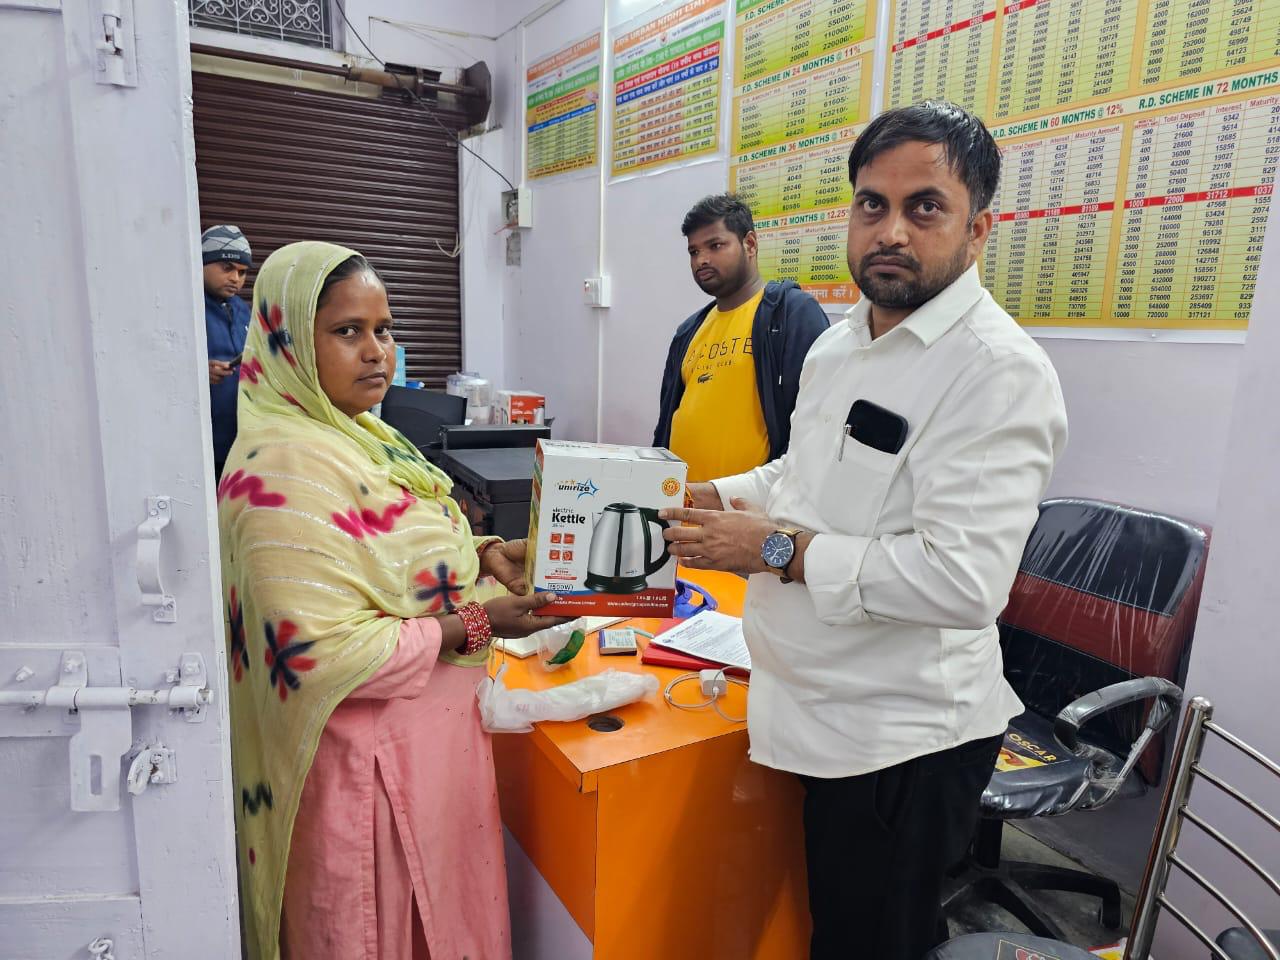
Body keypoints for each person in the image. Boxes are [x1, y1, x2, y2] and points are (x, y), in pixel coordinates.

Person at [659, 102, 1069, 960]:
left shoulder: (997, 372)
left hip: (901, 741)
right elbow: (799, 475)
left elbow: (961, 583)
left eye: (926, 207)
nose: (891, 230)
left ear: (977, 229)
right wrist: (714, 495)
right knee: (830, 926)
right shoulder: (839, 345)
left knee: (870, 942)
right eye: (872, 204)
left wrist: (775, 550)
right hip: (813, 705)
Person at [218, 241, 569, 960]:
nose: (377, 351)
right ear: (288, 343)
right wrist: (477, 621)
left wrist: (483, 553)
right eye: (348, 331)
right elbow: (323, 652)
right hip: (365, 776)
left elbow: (391, 554)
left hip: (430, 755)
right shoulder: (281, 470)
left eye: (384, 329)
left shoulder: (364, 438)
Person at [654, 194, 829, 482]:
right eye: (694, 251)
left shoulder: (791, 314)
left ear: (750, 244)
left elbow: (818, 424)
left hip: (750, 506)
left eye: (715, 245)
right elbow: (665, 425)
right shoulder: (688, 331)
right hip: (681, 501)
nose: (701, 260)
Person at [202, 223, 254, 479]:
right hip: (204, 443)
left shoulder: (242, 309)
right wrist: (199, 372)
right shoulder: (186, 306)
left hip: (241, 439)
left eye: (242, 272)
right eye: (227, 268)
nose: (236, 278)